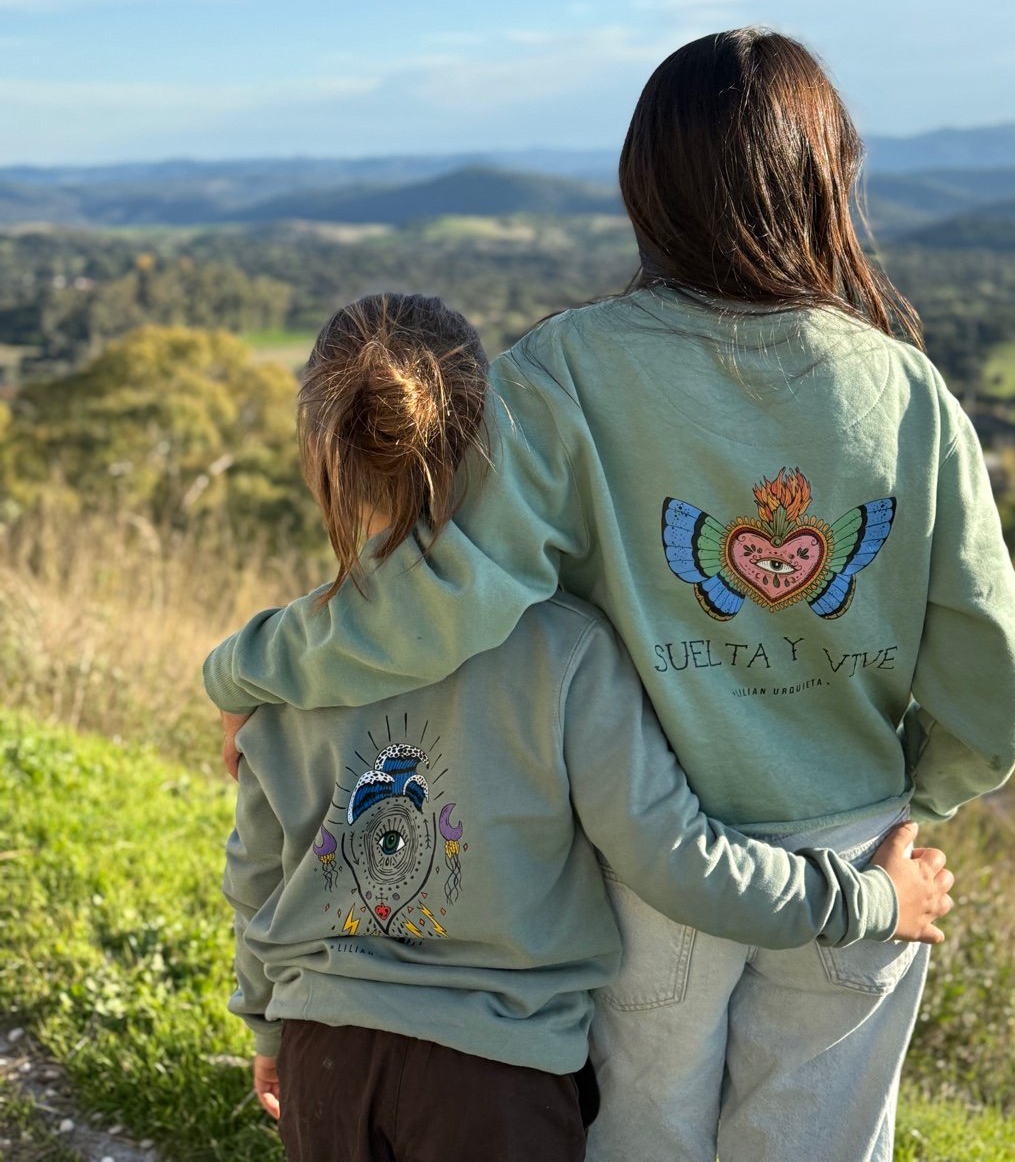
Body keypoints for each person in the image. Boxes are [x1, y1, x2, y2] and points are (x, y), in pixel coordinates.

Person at [208, 29, 1015, 1162]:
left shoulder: (564, 371)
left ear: (644, 185)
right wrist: (918, 802)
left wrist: (247, 668)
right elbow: (995, 670)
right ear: (828, 175)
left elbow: (444, 606)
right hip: (860, 849)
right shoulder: (910, 393)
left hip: (652, 853)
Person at [222, 291, 953, 1162]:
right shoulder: (567, 652)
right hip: (497, 1080)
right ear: (498, 445)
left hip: (325, 1058)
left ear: (319, 454)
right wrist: (870, 900)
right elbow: (677, 862)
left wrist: (267, 1027)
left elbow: (257, 877)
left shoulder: (284, 665)